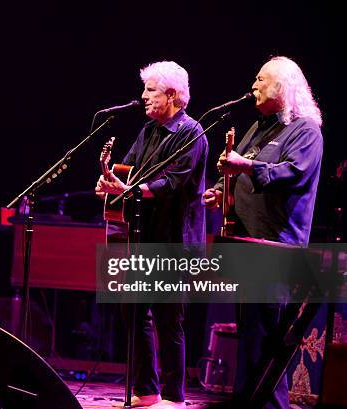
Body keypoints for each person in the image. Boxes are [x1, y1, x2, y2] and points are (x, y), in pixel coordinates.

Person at [203, 56, 323, 409]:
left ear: (282, 87)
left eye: (260, 80)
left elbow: (292, 173)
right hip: (247, 245)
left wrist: (245, 165)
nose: (252, 86)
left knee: (266, 343)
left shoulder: (306, 131)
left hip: (276, 249)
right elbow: (239, 170)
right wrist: (220, 190)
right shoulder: (260, 127)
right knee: (251, 339)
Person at [96, 61, 208, 408]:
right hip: (144, 238)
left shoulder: (193, 133)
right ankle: (147, 391)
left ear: (172, 95)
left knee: (167, 318)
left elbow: (173, 183)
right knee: (132, 309)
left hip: (175, 240)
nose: (143, 97)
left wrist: (132, 189)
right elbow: (126, 171)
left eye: (151, 91)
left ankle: (174, 399)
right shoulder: (149, 131)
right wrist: (110, 183)